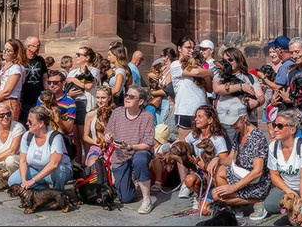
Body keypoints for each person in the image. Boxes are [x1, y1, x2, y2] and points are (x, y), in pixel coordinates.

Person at [211, 103, 271, 219]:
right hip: (242, 175)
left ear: (245, 118)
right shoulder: (238, 134)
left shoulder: (257, 138)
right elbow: (230, 159)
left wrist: (233, 187)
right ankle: (235, 204)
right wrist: (217, 159)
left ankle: (258, 200)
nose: (232, 126)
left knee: (218, 196)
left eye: (235, 123)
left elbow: (258, 171)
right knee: (218, 172)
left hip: (257, 182)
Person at [102, 86, 156, 214]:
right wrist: (107, 136)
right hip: (120, 156)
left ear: (140, 101)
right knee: (125, 198)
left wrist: (130, 146)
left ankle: (146, 199)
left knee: (140, 159)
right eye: (126, 95)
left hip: (138, 151)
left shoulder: (147, 116)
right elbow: (107, 132)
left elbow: (147, 144)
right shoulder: (117, 112)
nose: (127, 98)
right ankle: (134, 179)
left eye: (131, 97)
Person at [10, 106, 74, 190]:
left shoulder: (55, 137)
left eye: (30, 122)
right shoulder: (27, 136)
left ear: (41, 123)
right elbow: (23, 161)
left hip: (54, 172)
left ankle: (58, 192)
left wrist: (32, 181)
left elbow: (54, 164)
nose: (27, 123)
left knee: (59, 169)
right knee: (13, 181)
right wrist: (24, 180)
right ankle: (43, 190)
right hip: (35, 170)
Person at [183, 105, 231, 214]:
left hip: (215, 176)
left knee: (204, 211)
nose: (196, 119)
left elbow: (224, 162)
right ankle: (201, 196)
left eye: (200, 117)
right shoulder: (194, 136)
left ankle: (218, 200)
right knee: (189, 180)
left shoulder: (218, 139)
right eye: (196, 116)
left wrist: (204, 166)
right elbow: (184, 144)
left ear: (210, 120)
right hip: (202, 173)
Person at [213, 46, 265, 142]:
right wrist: (241, 87)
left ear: (238, 59)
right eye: (224, 60)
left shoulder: (250, 77)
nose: (228, 63)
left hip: (248, 120)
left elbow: (261, 96)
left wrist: (257, 102)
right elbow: (218, 89)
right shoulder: (220, 75)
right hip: (227, 121)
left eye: (230, 60)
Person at [169, 37, 212, 144]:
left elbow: (210, 89)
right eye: (188, 47)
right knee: (184, 146)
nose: (191, 51)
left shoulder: (199, 65)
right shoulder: (176, 65)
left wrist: (206, 74)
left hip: (203, 110)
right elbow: (196, 72)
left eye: (193, 48)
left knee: (203, 145)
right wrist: (209, 72)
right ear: (179, 48)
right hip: (186, 111)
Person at [278, 39, 302, 149]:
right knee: (294, 149)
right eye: (291, 53)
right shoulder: (292, 72)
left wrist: (290, 100)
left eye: (297, 51)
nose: (294, 56)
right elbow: (288, 93)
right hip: (293, 118)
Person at [0, 39, 25, 122]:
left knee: (6, 128)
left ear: (16, 53)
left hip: (8, 102)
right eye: (4, 49)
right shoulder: (1, 64)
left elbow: (7, 91)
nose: (5, 52)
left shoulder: (16, 68)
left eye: (8, 51)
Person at [83, 86, 115, 169]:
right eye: (97, 97)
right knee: (93, 163)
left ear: (109, 98)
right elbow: (85, 136)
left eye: (103, 98)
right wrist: (95, 142)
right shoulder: (90, 115)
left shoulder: (115, 114)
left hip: (112, 146)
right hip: (96, 146)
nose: (100, 101)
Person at [19, 36, 47, 122]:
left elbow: (45, 78)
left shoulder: (40, 60)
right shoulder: (21, 60)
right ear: (28, 47)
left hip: (38, 95)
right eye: (36, 46)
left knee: (38, 119)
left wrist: (46, 92)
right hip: (24, 96)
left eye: (39, 46)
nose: (38, 48)